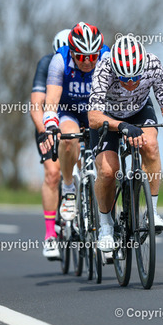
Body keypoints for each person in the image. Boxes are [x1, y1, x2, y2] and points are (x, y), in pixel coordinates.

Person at [88, 34, 163, 252]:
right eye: (125, 79)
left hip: (139, 110)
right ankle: (106, 226)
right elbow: (93, 117)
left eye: (136, 78)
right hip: (108, 117)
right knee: (108, 171)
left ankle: (152, 212)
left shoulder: (153, 64)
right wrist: (121, 126)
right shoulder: (104, 68)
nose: (131, 83)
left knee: (151, 146)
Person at [40, 22, 110, 224]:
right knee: (68, 140)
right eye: (81, 56)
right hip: (69, 111)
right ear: (72, 52)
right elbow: (51, 101)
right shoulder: (59, 60)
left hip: (96, 111)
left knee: (108, 166)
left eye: (92, 56)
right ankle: (69, 188)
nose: (87, 62)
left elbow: (116, 95)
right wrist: (51, 125)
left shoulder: (106, 57)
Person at [31, 29, 69, 259]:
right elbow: (37, 105)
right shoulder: (47, 64)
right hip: (48, 123)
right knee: (53, 173)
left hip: (75, 120)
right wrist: (44, 132)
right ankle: (50, 235)